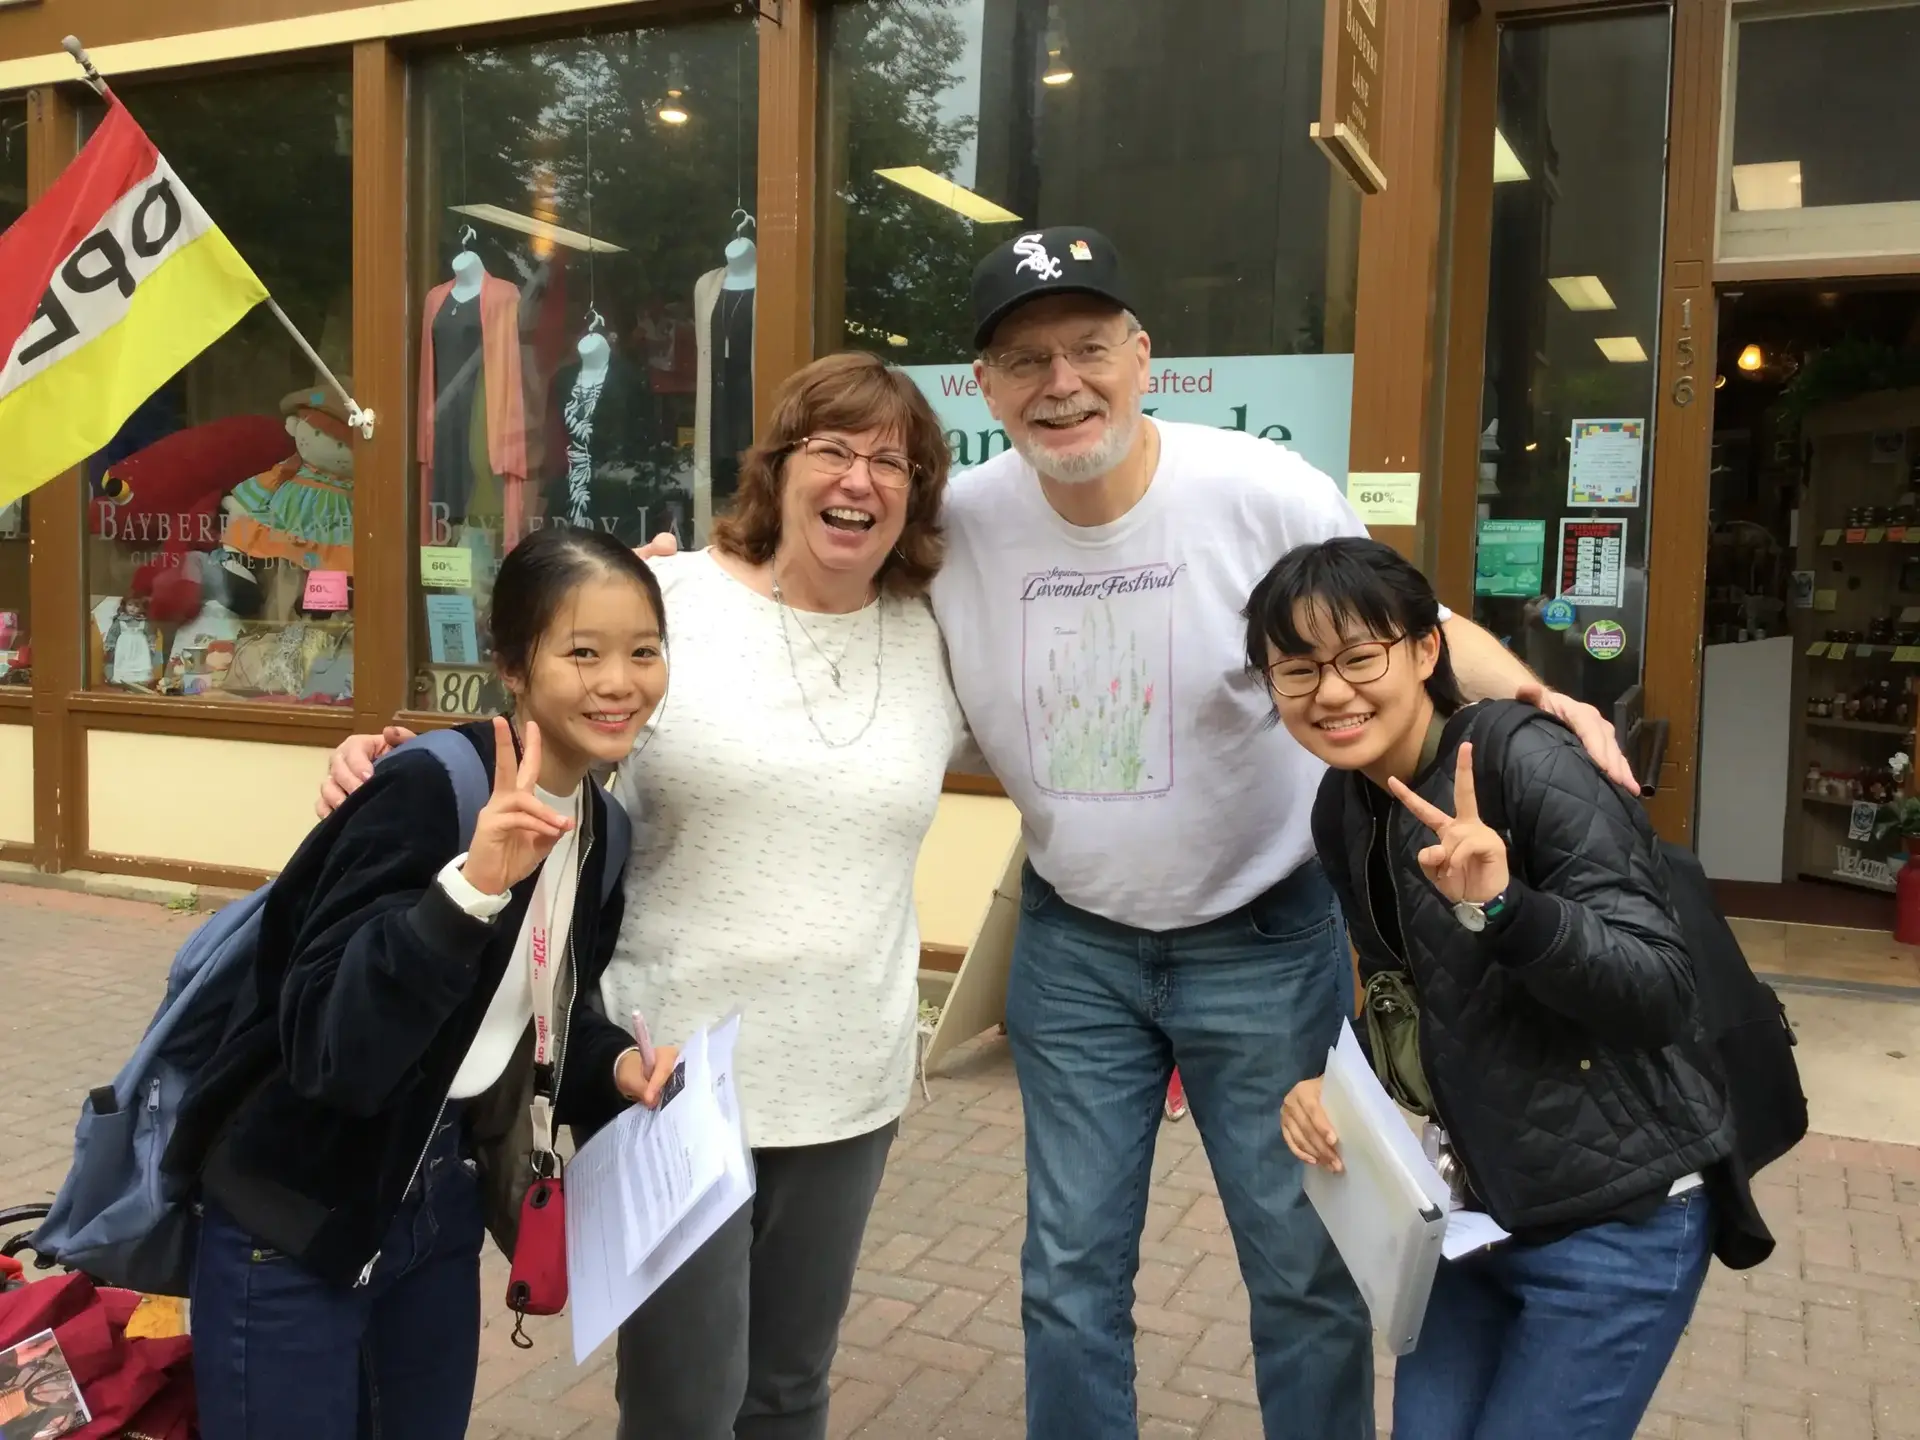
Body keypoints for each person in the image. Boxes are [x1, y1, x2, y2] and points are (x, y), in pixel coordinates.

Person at [624, 228, 1642, 1440]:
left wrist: (1538, 694)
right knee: (1067, 1277)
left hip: (1263, 940)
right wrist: (668, 592)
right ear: (987, 390)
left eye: (1089, 348)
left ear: (1141, 356)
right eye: (1024, 360)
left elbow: (1408, 621)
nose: (1061, 382)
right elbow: (804, 592)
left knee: (1302, 1276)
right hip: (1076, 951)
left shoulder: (1258, 490)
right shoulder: (957, 528)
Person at [317, 352, 964, 1440]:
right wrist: (394, 761)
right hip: (668, 1072)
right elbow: (543, 733)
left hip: (851, 1072)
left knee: (793, 1385)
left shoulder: (939, 630)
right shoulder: (673, 600)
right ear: (780, 468)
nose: (860, 480)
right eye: (834, 450)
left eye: (892, 461)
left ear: (919, 492)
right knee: (685, 1401)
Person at [168, 526, 678, 1440]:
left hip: (438, 1204)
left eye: (644, 651)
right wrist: (470, 891)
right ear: (513, 667)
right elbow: (331, 1049)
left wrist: (613, 1071)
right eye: (583, 653)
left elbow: (541, 1012)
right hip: (295, 1216)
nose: (619, 682)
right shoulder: (425, 791)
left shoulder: (604, 834)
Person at [1258, 536, 1732, 1440]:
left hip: (1617, 1219)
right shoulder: (1345, 802)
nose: (1331, 692)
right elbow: (1407, 990)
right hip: (1475, 1216)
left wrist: (1508, 909)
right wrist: (1337, 1087)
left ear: (1428, 651)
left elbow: (1663, 991)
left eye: (1361, 657)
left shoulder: (1526, 761)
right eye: (1295, 670)